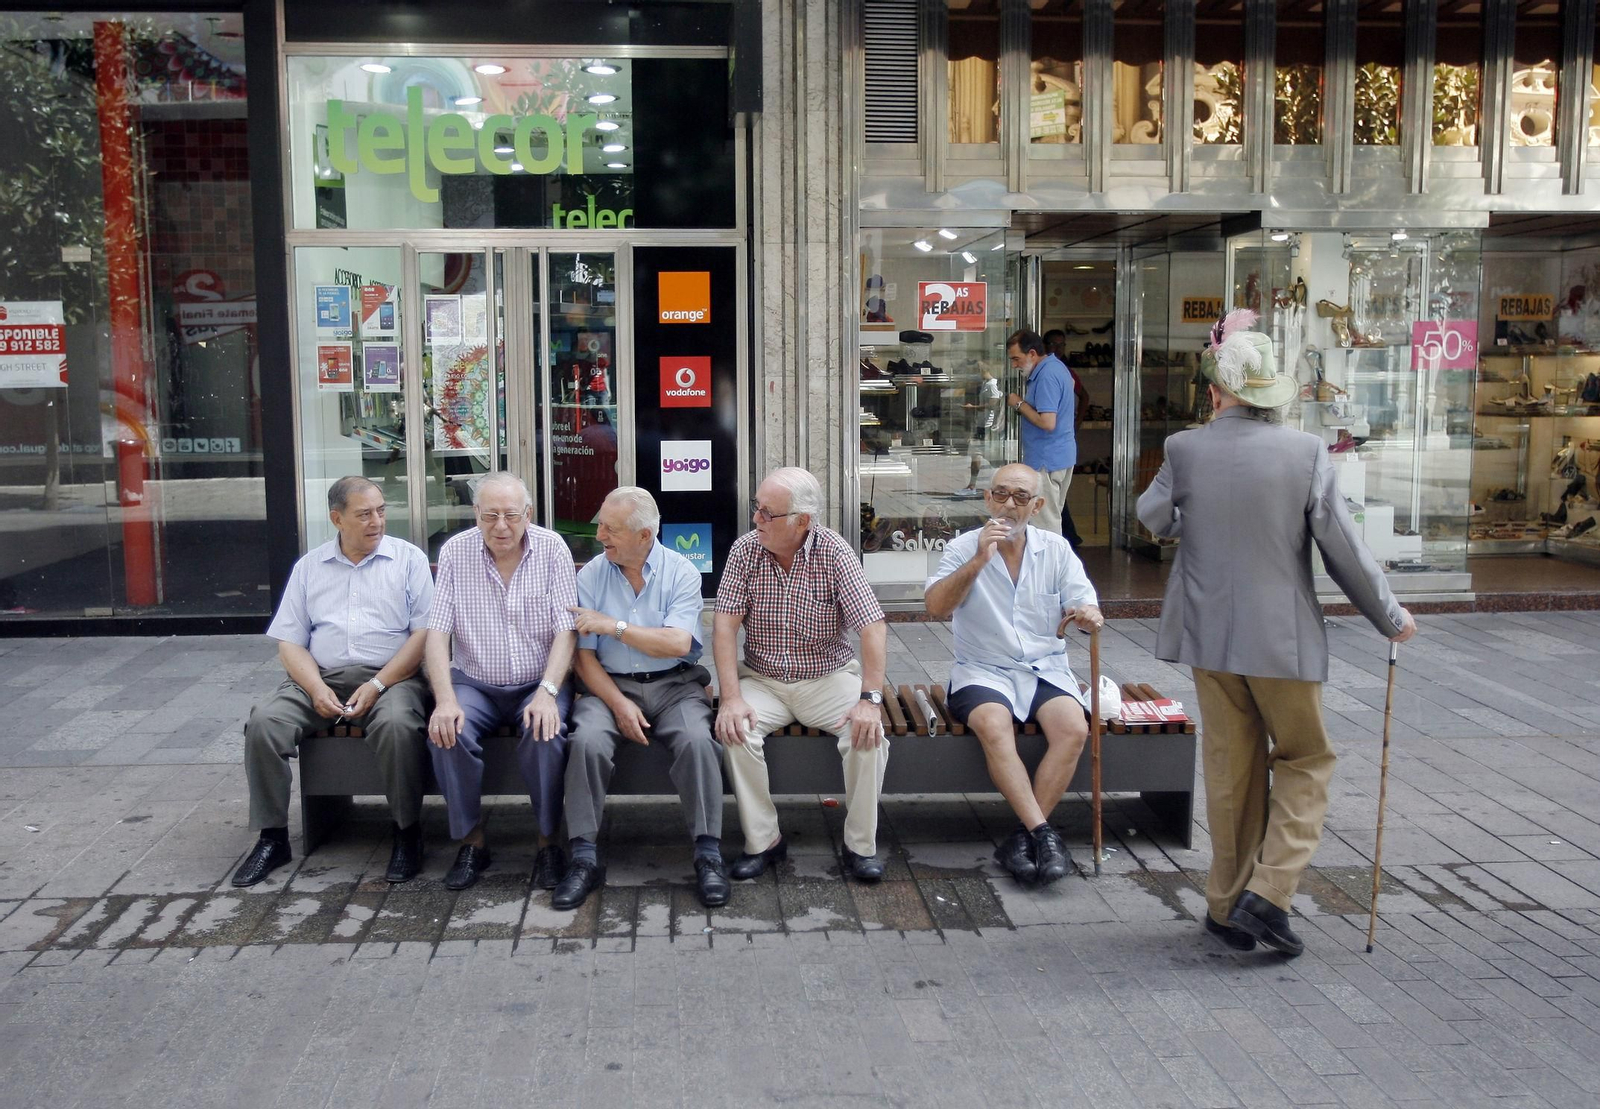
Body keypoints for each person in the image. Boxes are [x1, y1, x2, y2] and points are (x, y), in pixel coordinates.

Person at [1136, 311, 1417, 957]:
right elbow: (1341, 548)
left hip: (1208, 636)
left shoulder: (1184, 446)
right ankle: (1271, 890)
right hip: (1282, 640)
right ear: (1273, 397)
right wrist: (1390, 614)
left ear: (1215, 392)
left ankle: (1227, 906)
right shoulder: (1305, 452)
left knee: (1231, 773)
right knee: (1305, 759)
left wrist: (1185, 509)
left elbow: (1153, 516)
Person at [233, 475, 432, 888]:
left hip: (392, 678)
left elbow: (423, 637)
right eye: (364, 514)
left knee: (398, 727)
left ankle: (406, 833)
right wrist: (315, 689)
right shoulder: (310, 567)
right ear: (336, 519)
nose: (376, 521)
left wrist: (378, 685)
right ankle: (272, 838)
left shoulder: (408, 560)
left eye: (381, 511)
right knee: (264, 724)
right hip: (320, 677)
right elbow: (289, 640)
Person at [925, 464, 1101, 885]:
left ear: (1037, 505)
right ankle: (1043, 833)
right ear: (987, 499)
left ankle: (1023, 838)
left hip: (1045, 667)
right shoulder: (965, 546)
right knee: (991, 721)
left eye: (1021, 497)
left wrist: (1087, 615)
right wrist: (979, 559)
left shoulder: (1056, 549)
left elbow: (1082, 603)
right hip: (982, 668)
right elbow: (935, 607)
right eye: (1001, 494)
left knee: (1074, 728)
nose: (1008, 504)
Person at [713, 467, 891, 882]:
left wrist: (871, 699)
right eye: (756, 509)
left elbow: (872, 627)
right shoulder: (745, 551)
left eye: (766, 513)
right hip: (763, 679)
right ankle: (765, 841)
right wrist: (732, 696)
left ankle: (859, 846)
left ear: (802, 522)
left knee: (868, 735)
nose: (756, 519)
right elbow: (724, 626)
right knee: (735, 729)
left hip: (826, 678)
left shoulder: (834, 552)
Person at [556, 487, 728, 910]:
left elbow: (676, 644)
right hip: (608, 685)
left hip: (675, 684)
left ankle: (708, 853)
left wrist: (613, 626)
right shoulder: (591, 575)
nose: (599, 535)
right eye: (601, 524)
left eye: (610, 529)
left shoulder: (681, 572)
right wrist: (617, 704)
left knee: (698, 741)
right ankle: (582, 857)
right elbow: (584, 658)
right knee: (586, 741)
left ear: (645, 535)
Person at [425, 472, 579, 892]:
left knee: (545, 733)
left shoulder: (552, 549)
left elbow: (567, 630)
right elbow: (437, 633)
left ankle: (549, 842)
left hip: (538, 680)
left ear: (528, 514)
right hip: (475, 682)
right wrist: (444, 699)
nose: (501, 526)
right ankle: (472, 841)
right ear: (475, 514)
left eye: (511, 515)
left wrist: (548, 692)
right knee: (447, 732)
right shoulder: (456, 552)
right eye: (490, 515)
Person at [1006, 330, 1079, 543]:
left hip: (1046, 458)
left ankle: (1049, 572)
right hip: (1059, 455)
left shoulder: (1046, 375)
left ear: (1031, 353)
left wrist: (1019, 404)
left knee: (1045, 524)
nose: (1014, 365)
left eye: (1016, 359)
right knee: (1050, 516)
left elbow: (1048, 422)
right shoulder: (1057, 368)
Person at [959, 365, 1003, 495]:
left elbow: (992, 405)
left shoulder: (991, 385)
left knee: (986, 456)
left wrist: (972, 407)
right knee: (977, 454)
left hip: (987, 426)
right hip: (982, 425)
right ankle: (972, 484)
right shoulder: (987, 384)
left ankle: (979, 484)